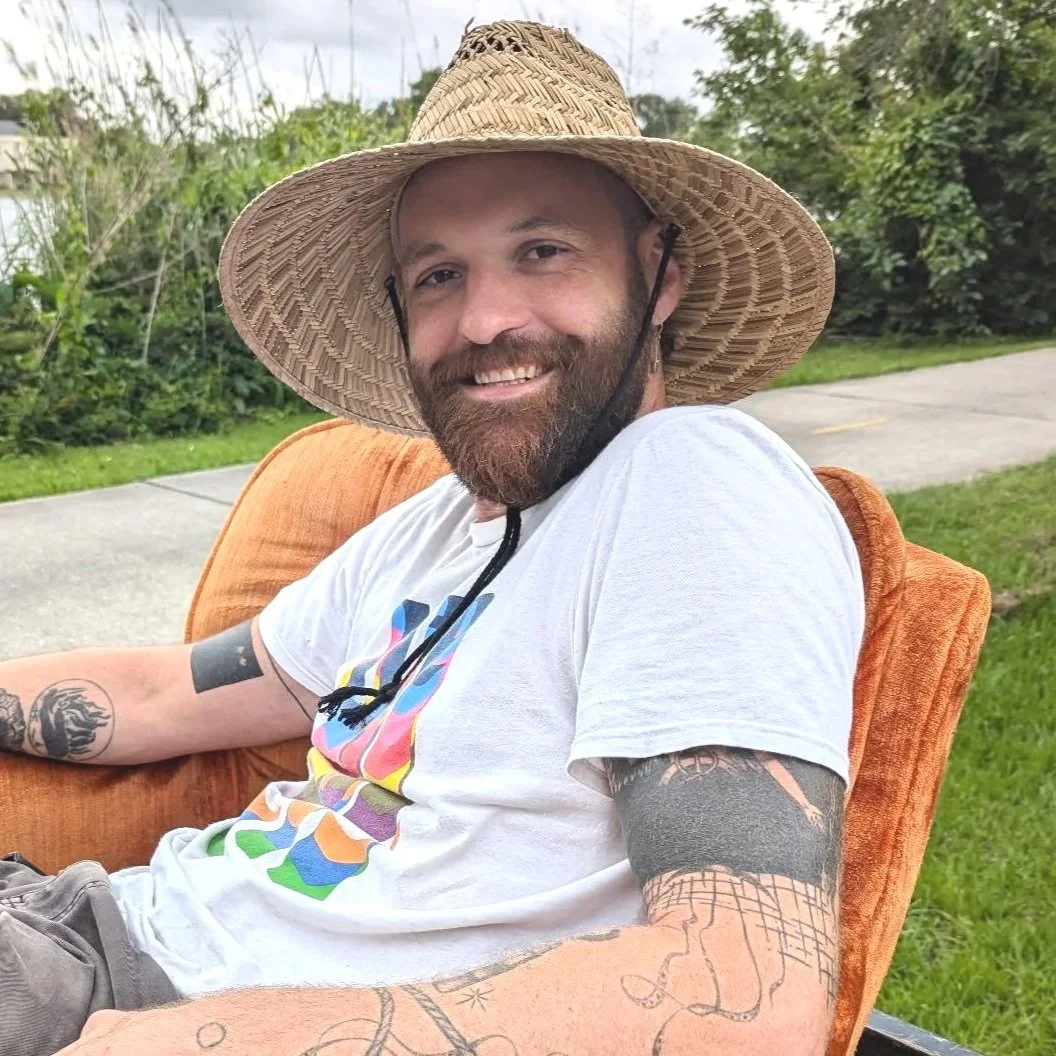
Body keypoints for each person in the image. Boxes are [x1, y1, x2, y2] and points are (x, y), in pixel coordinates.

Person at [0, 21, 864, 1056]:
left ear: (658, 275)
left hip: (152, 1004)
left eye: (541, 252)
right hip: (87, 927)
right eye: (437, 276)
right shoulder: (427, 530)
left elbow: (745, 997)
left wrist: (180, 1042)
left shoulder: (692, 480)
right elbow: (164, 693)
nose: (485, 318)